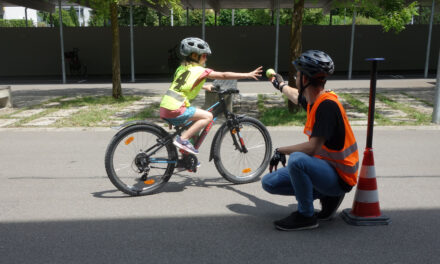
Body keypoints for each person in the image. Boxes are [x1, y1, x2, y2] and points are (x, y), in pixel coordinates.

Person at [261, 50, 359, 231]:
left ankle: (306, 216)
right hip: (325, 168)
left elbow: (313, 148)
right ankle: (326, 195)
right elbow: (296, 95)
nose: (296, 78)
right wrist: (279, 84)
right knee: (269, 183)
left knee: (298, 160)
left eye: (297, 75)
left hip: (340, 177)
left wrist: (281, 150)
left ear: (304, 80)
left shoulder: (327, 106)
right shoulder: (315, 100)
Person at [160, 37, 262, 155]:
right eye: (204, 55)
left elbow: (182, 85)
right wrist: (247, 75)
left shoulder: (181, 69)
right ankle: (182, 140)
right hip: (176, 109)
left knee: (196, 117)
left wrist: (204, 86)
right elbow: (223, 75)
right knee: (208, 116)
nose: (206, 58)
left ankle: (185, 159)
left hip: (165, 107)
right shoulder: (199, 70)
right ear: (194, 56)